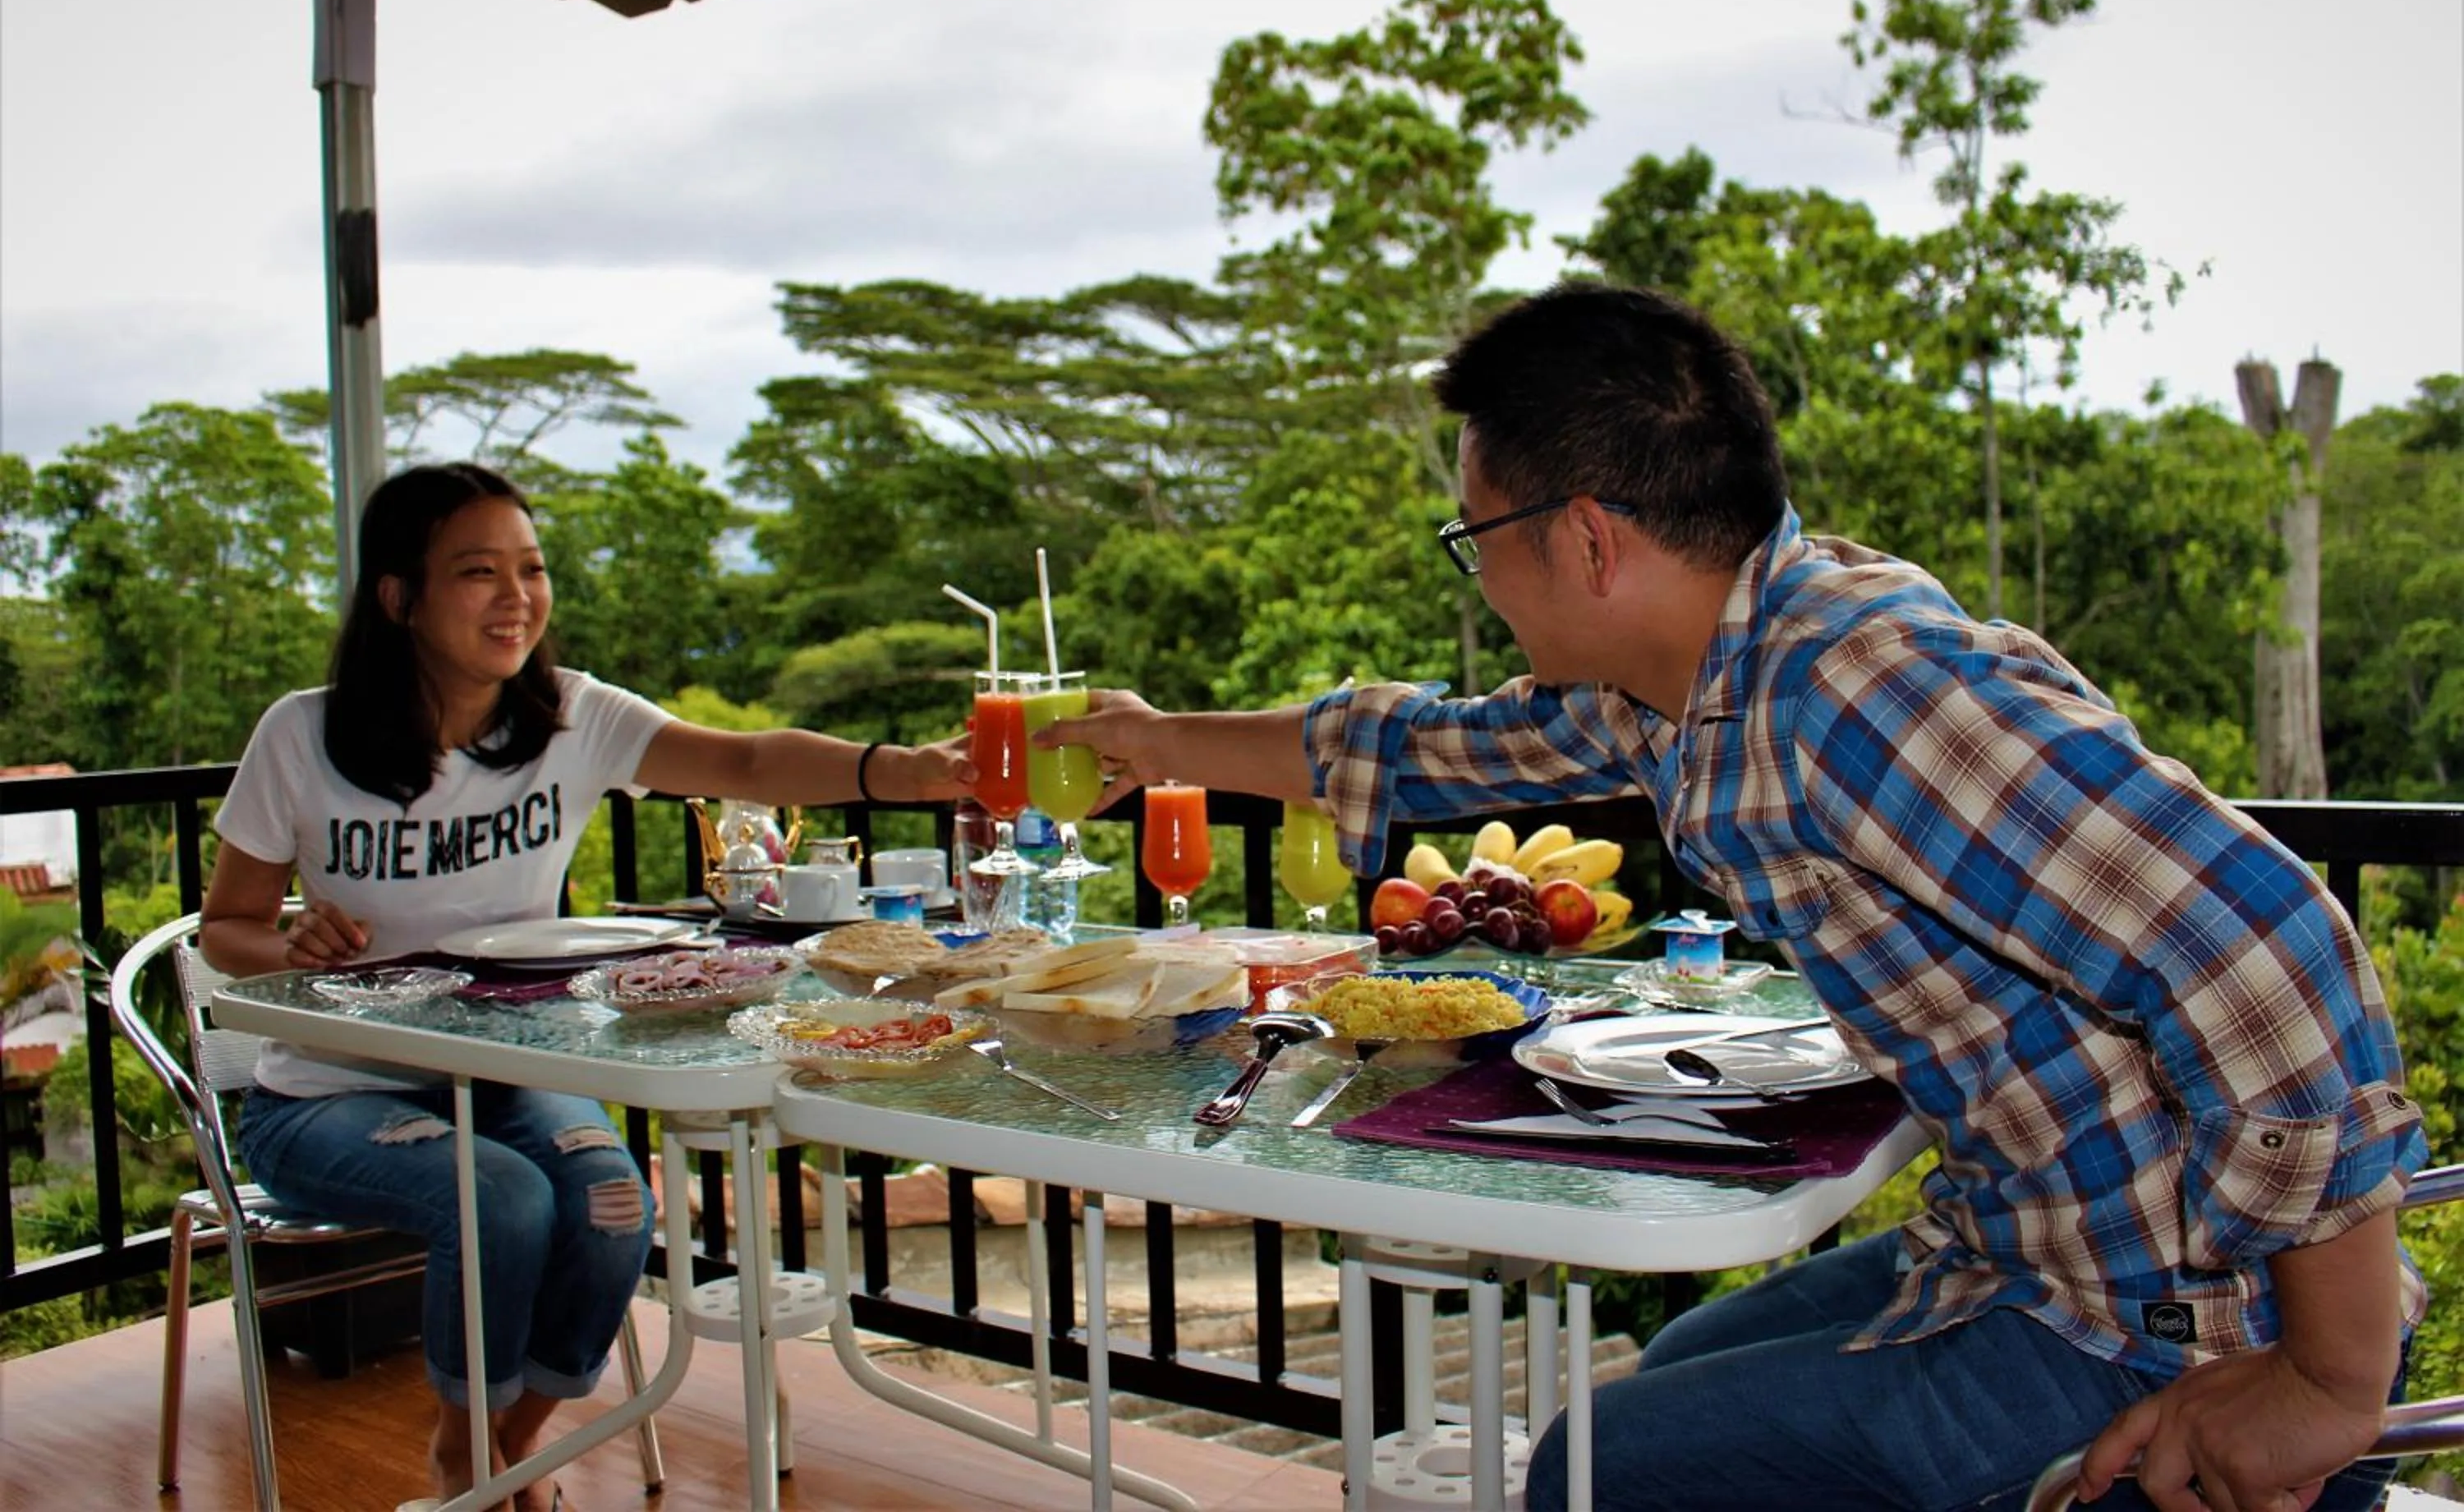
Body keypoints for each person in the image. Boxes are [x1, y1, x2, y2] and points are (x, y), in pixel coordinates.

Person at [1040, 283, 2426, 1512]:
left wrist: (2326, 1375)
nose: (1483, 583)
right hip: (2022, 1245)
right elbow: (1425, 746)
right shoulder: (1699, 680)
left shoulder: (1850, 691)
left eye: (1478, 540)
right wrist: (1163, 742)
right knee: (1684, 1364)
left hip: (2155, 1314)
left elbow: (2268, 942)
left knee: (1600, 1467)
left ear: (1583, 539)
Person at [200, 462, 972, 1512]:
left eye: (532, 567)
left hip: (509, 1072)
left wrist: (905, 770)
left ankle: (509, 1448)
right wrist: (290, 942)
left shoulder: (569, 715)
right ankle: (466, 1461)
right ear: (399, 596)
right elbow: (226, 929)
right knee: (502, 1198)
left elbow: (743, 762)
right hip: (331, 1093)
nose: (517, 594)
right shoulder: (303, 734)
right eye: (478, 571)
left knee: (616, 1201)